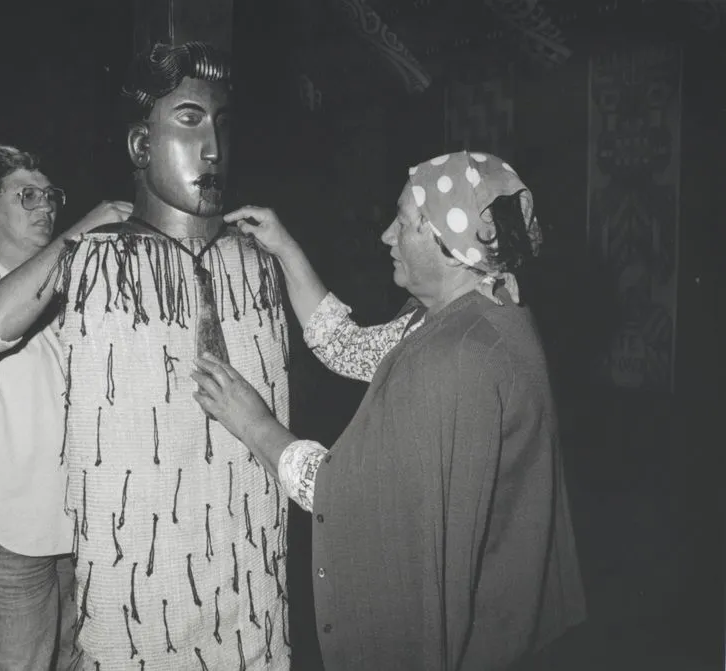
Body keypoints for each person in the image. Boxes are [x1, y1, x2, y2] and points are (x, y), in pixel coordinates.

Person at [192, 151, 587, 670]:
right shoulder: (476, 311)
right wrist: (284, 248)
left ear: (448, 246)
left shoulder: (453, 358)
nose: (384, 235)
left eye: (402, 222)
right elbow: (347, 346)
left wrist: (249, 419)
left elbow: (340, 494)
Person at [46, 42, 292, 669]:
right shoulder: (99, 266)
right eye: (189, 122)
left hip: (248, 586)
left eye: (223, 126)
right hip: (140, 592)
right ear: (139, 146)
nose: (212, 148)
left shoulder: (257, 265)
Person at [0, 141, 132, 671]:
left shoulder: (66, 294)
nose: (46, 207)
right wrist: (79, 234)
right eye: (27, 195)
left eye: (51, 196)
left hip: (72, 535)